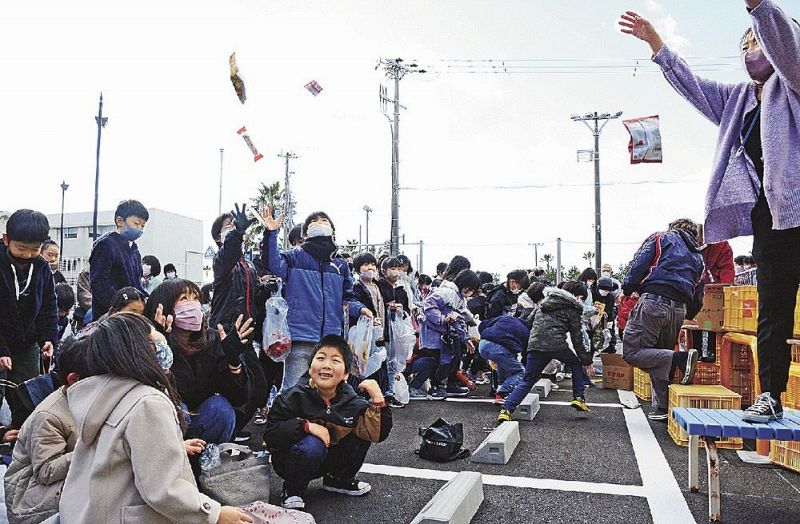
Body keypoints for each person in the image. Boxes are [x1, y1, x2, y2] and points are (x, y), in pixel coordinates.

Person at [620, 0, 800, 422]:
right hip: (771, 217)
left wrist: (759, 8)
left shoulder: (793, 83)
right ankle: (771, 395)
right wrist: (657, 45)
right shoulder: (737, 99)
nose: (752, 48)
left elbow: (786, 45)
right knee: (774, 306)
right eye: (746, 42)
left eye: (759, 39)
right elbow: (693, 86)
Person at [59, 313, 253, 524]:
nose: (161, 343)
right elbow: (163, 488)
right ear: (136, 351)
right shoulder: (147, 403)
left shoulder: (102, 394)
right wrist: (214, 514)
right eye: (153, 339)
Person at [264, 335, 392, 510]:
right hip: (292, 460)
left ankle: (339, 480)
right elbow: (271, 435)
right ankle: (293, 489)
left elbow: (376, 434)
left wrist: (378, 399)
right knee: (312, 443)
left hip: (329, 457)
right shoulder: (293, 396)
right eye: (321, 358)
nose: (326, 365)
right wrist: (306, 427)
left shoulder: (352, 402)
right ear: (310, 368)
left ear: (346, 374)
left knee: (363, 424)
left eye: (335, 360)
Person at [261, 207, 370, 390]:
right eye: (314, 222)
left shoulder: (340, 264)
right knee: (294, 391)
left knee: (326, 390)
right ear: (305, 234)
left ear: (333, 232)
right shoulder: (295, 257)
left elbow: (347, 297)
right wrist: (271, 233)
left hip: (330, 340)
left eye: (324, 221)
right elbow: (273, 265)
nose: (319, 224)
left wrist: (360, 309)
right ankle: (289, 419)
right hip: (300, 337)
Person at [144, 279, 253, 445]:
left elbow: (238, 398)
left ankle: (207, 461)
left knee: (221, 409)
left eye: (196, 299)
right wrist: (159, 347)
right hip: (163, 430)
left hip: (203, 419)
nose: (193, 305)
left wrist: (233, 361)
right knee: (179, 410)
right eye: (184, 299)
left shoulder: (212, 339)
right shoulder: (149, 340)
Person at [620, 219, 704, 421]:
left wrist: (627, 288)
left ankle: (680, 358)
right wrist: (689, 313)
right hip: (678, 309)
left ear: (674, 227)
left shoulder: (661, 237)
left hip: (654, 301)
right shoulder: (698, 257)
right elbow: (699, 289)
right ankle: (662, 408)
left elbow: (639, 262)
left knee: (633, 352)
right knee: (660, 357)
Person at [4, 336, 86, 524]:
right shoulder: (50, 415)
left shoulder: (82, 401)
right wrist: (89, 449)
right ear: (74, 379)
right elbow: (46, 470)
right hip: (32, 504)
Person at [498, 281, 595, 424]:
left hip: (535, 345)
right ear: (576, 296)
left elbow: (528, 322)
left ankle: (506, 410)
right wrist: (587, 360)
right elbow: (577, 338)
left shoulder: (544, 303)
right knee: (575, 363)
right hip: (557, 345)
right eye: (581, 297)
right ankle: (579, 397)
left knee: (528, 380)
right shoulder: (573, 308)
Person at [0, 209, 58, 428]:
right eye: (20, 248)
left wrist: (48, 339)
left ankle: (20, 436)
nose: (26, 255)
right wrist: (2, 349)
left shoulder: (42, 268)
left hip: (27, 343)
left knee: (27, 395)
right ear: (6, 240)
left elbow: (48, 307)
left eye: (34, 249)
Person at [416, 269, 479, 400]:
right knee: (437, 360)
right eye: (472, 289)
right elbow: (428, 305)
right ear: (466, 287)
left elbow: (457, 319)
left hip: (444, 332)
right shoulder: (447, 292)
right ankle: (435, 387)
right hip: (433, 331)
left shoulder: (458, 297)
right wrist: (442, 319)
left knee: (447, 360)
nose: (471, 293)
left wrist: (466, 338)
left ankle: (440, 386)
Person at [478, 283, 545, 404]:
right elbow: (526, 354)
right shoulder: (527, 332)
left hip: (483, 344)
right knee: (520, 371)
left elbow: (483, 324)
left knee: (504, 366)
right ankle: (502, 392)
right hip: (499, 349)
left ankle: (499, 391)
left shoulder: (507, 318)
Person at [89, 199, 148, 318]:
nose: (140, 229)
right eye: (136, 223)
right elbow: (99, 283)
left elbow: (137, 284)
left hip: (132, 314)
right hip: (110, 316)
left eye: (143, 225)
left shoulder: (135, 251)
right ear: (120, 221)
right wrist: (120, 306)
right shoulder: (105, 245)